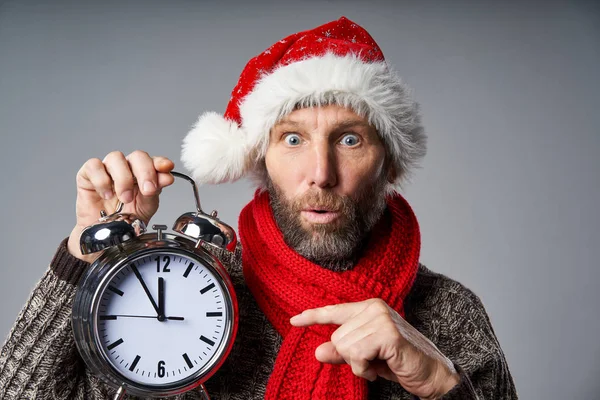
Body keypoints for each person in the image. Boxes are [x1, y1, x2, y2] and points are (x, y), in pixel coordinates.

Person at [0, 16, 517, 400]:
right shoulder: (172, 286)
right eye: (292, 139)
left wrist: (440, 385)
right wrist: (84, 254)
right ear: (259, 159)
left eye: (350, 140)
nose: (320, 172)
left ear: (390, 163)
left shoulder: (447, 313)